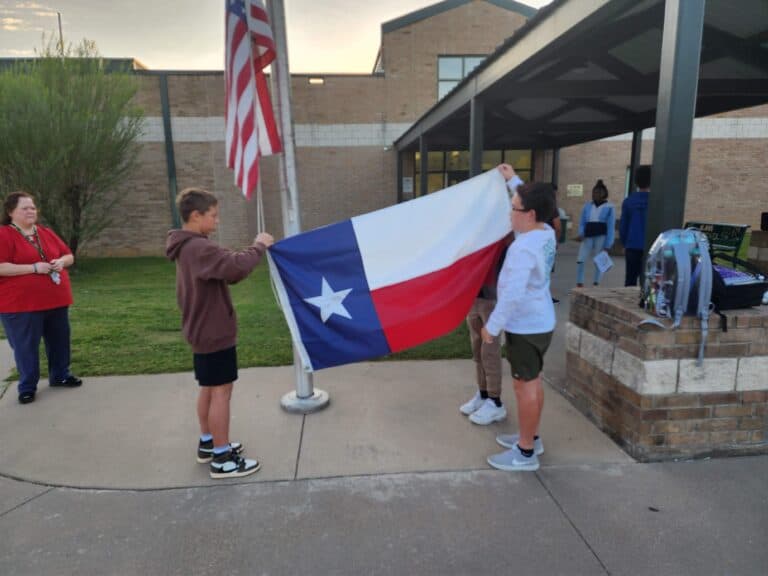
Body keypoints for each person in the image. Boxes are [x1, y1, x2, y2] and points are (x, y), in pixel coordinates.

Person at [166, 188, 274, 480]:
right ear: (196, 215)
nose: (217, 221)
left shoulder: (188, 247)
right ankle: (222, 458)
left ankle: (208, 442)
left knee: (209, 388)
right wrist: (259, 246)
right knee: (221, 392)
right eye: (213, 216)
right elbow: (235, 269)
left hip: (201, 330)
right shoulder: (200, 248)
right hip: (214, 332)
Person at [481, 182, 556, 471]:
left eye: (513, 208)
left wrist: (492, 326)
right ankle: (531, 437)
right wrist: (513, 180)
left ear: (530, 213)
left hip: (526, 327)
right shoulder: (544, 232)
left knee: (525, 387)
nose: (510, 213)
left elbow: (512, 294)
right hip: (540, 322)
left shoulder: (523, 248)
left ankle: (525, 453)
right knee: (533, 381)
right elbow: (535, 199)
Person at [0, 191, 82, 405]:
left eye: (33, 208)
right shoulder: (4, 235)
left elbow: (69, 255)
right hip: (21, 305)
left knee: (59, 341)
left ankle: (60, 375)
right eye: (24, 208)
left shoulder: (45, 232)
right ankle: (27, 386)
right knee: (26, 346)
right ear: (11, 212)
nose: (30, 211)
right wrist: (33, 267)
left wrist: (61, 262)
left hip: (55, 300)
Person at [460, 164, 521, 425]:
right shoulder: (470, 226)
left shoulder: (505, 227)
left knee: (490, 351)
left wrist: (512, 181)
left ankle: (495, 401)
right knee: (477, 350)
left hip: (493, 297)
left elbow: (529, 216)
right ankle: (483, 393)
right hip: (474, 296)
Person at [576, 179, 615, 287]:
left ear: (604, 194)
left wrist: (608, 244)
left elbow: (611, 227)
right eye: (594, 192)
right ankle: (580, 282)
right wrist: (581, 232)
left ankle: (596, 282)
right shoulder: (587, 206)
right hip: (587, 234)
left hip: (601, 235)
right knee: (581, 258)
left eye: (599, 192)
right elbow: (582, 222)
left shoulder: (610, 207)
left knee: (599, 258)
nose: (596, 194)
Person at [620, 165, 651, 287]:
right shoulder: (656, 200)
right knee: (649, 281)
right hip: (651, 247)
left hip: (632, 246)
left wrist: (624, 243)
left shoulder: (629, 201)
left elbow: (623, 227)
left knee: (630, 280)